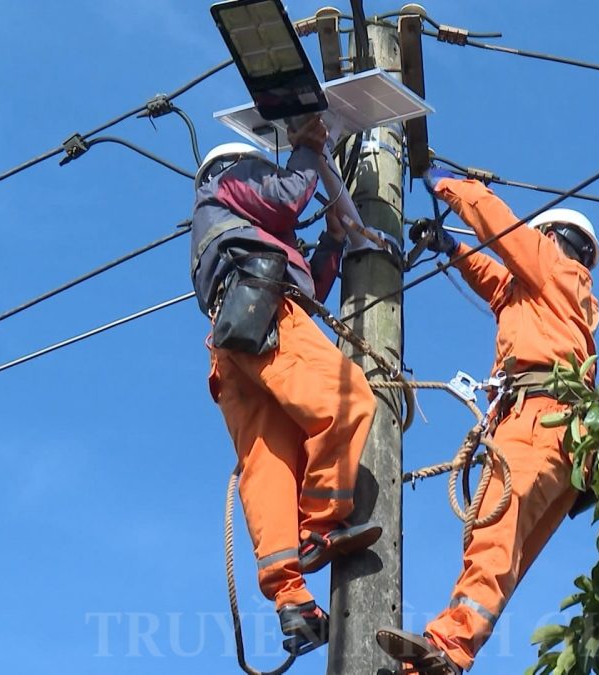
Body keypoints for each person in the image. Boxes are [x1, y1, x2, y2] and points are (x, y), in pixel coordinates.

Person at [377, 168, 599, 674]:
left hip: (536, 422)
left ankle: (450, 644)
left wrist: (449, 185)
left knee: (493, 538)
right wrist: (451, 249)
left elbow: (500, 228)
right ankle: (441, 660)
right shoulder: (558, 300)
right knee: (506, 558)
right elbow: (497, 283)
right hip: (568, 445)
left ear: (552, 239)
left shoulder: (552, 267)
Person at [192, 117, 380, 653]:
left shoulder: (231, 228)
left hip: (234, 341)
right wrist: (306, 148)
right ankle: (318, 528)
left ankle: (291, 600)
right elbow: (288, 196)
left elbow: (309, 285)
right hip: (263, 313)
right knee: (346, 398)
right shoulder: (225, 184)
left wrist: (334, 241)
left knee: (269, 466)